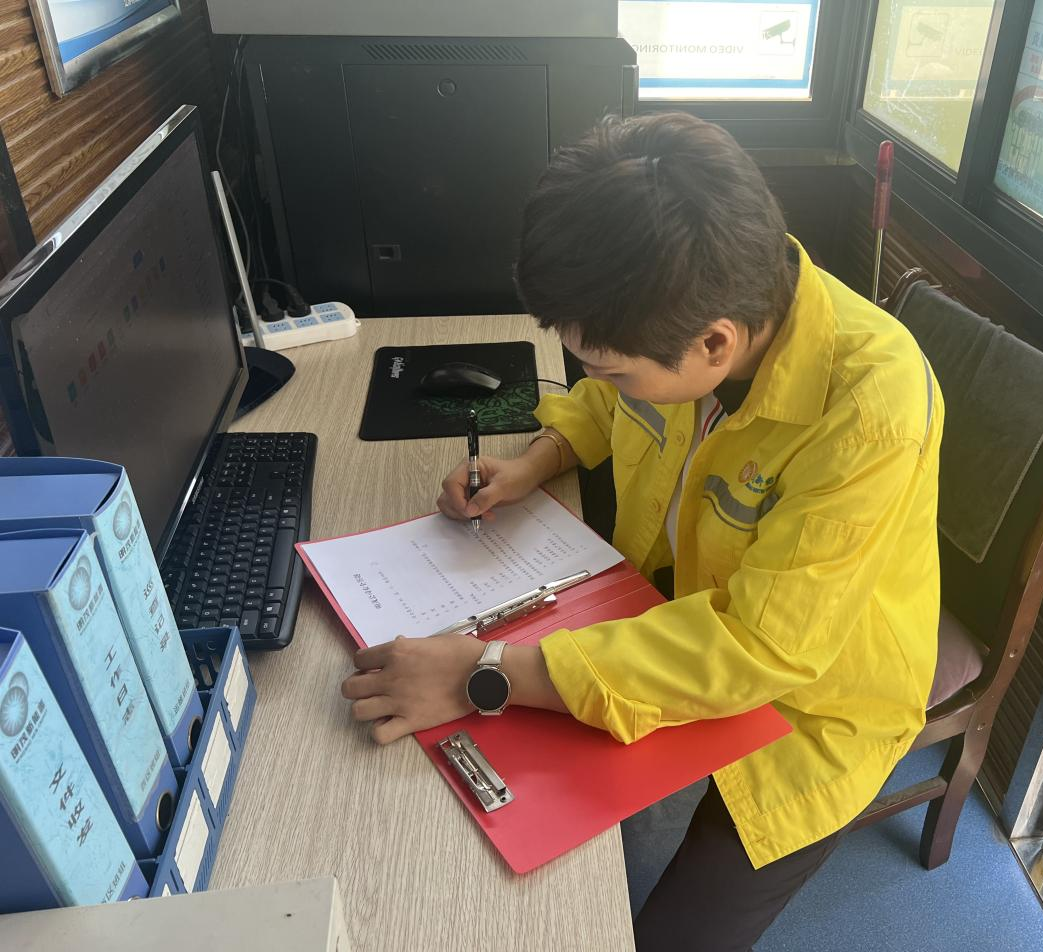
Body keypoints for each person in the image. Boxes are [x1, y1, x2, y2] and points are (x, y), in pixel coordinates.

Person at [340, 112, 944, 950]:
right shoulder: (696, 303)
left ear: (715, 344)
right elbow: (605, 400)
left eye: (616, 370)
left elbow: (758, 650)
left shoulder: (870, 409)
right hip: (661, 609)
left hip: (810, 704)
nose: (603, 381)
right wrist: (538, 459)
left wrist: (483, 673)